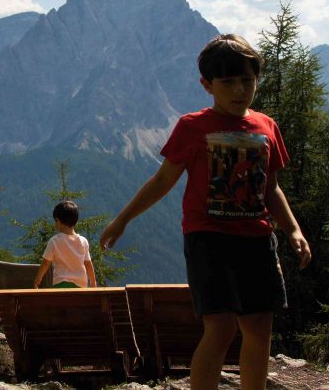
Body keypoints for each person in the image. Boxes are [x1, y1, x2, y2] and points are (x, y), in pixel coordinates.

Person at [99, 34, 311, 390]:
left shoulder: (267, 126)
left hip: (258, 239)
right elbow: (163, 179)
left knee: (260, 328)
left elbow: (271, 188)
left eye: (247, 80)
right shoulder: (192, 127)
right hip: (208, 240)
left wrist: (293, 229)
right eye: (228, 82)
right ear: (207, 85)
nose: (239, 90)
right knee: (221, 327)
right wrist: (123, 219)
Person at [33, 200, 97, 288]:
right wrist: (93, 282)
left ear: (57, 220)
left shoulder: (54, 241)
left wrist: (38, 278)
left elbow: (46, 263)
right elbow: (88, 263)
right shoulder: (83, 241)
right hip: (81, 285)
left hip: (61, 284)